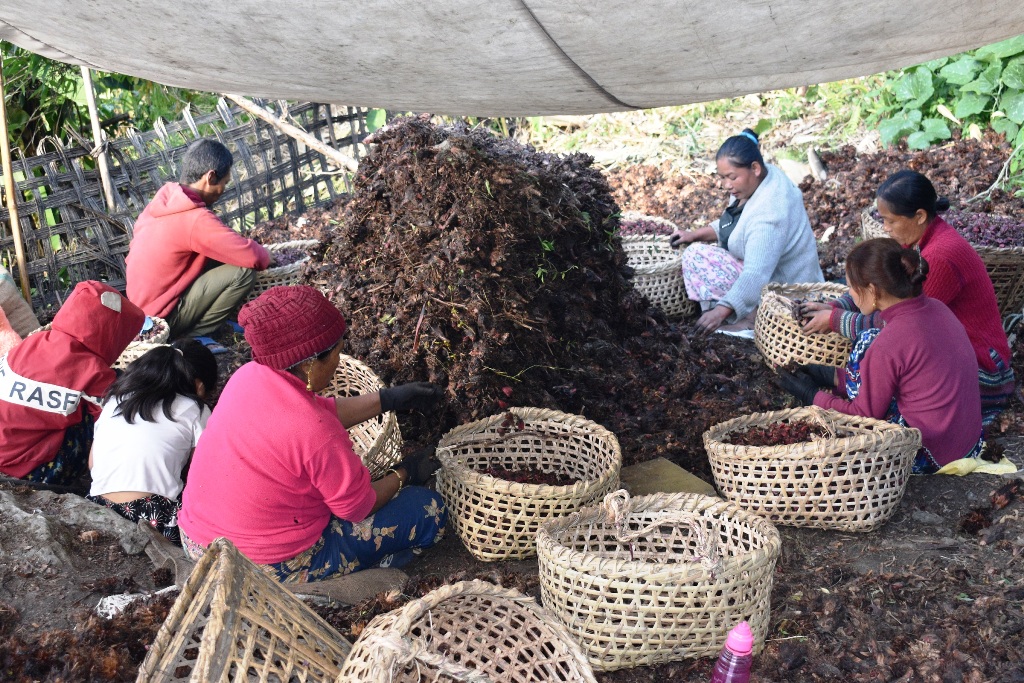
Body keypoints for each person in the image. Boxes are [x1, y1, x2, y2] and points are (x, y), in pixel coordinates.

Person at [178, 285, 448, 582]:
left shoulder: (248, 376)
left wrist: (389, 399)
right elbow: (358, 508)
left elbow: (320, 411)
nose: (338, 362)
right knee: (427, 509)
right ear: (309, 363)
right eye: (337, 353)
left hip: (199, 542)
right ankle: (365, 568)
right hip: (256, 567)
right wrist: (405, 472)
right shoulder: (316, 431)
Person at [801, 170, 1014, 425]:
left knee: (879, 349)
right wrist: (837, 305)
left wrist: (834, 320)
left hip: (982, 371)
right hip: (947, 349)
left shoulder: (940, 258)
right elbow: (879, 281)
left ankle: (846, 387)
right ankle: (843, 381)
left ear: (920, 216)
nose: (885, 228)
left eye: (890, 221)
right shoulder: (916, 242)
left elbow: (898, 327)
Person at [779, 238, 984, 475]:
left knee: (866, 341)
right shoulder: (938, 307)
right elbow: (909, 375)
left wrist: (812, 396)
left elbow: (863, 417)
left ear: (872, 291)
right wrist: (832, 377)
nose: (850, 294)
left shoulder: (888, 342)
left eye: (851, 287)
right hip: (968, 444)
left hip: (930, 453)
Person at [668, 128, 823, 333]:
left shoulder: (770, 214)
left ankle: (752, 320)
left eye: (731, 177)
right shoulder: (761, 178)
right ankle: (735, 312)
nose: (726, 185)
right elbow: (736, 224)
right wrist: (693, 235)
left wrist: (720, 312)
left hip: (789, 290)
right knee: (694, 252)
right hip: (774, 272)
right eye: (722, 177)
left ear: (755, 168)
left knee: (696, 256)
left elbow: (756, 274)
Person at [126, 138, 271, 345]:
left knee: (218, 258)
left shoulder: (163, 201)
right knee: (244, 272)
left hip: (141, 313)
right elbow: (255, 257)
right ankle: (197, 335)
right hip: (162, 319)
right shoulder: (195, 219)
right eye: (224, 183)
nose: (223, 190)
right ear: (210, 177)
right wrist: (268, 255)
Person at [0, 281, 145, 484]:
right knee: (104, 414)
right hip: (24, 467)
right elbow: (114, 421)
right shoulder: (92, 369)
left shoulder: (34, 341)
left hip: (7, 445)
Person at [88, 339, 218, 544]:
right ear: (199, 386)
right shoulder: (195, 409)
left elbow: (92, 464)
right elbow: (203, 473)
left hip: (97, 505)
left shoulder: (115, 400)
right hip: (155, 514)